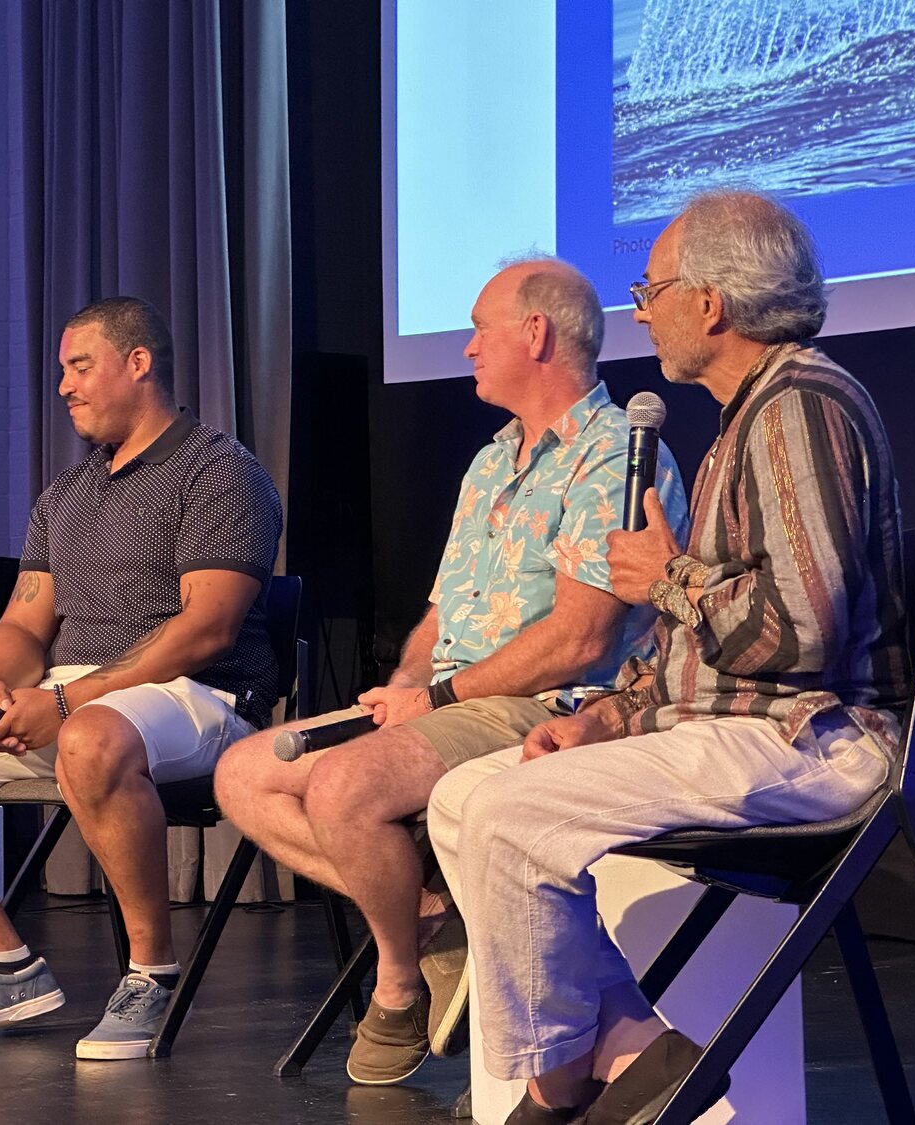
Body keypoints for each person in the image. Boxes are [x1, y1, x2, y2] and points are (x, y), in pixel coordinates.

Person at [427, 191, 907, 1124]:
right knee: (460, 795)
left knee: (511, 814)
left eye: (651, 291)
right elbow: (710, 650)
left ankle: (563, 1083)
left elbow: (801, 634)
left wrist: (667, 578)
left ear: (711, 305)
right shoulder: (747, 418)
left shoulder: (800, 406)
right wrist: (605, 713)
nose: (639, 312)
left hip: (815, 740)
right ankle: (628, 1049)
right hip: (742, 725)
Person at [214, 258, 688, 1085]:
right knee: (245, 772)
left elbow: (579, 639)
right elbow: (439, 617)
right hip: (448, 699)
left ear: (535, 333)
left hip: (539, 705)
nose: (466, 348)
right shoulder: (489, 462)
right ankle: (441, 916)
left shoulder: (615, 456)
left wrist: (433, 698)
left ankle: (397, 982)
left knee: (341, 791)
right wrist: (405, 684)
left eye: (479, 328)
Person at [0, 296, 282, 1060]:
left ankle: (151, 973)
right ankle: (3, 963)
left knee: (89, 737)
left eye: (80, 366)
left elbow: (205, 628)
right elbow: (25, 624)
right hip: (75, 696)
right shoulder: (66, 495)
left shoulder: (219, 472)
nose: (64, 387)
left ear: (138, 363)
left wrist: (64, 699)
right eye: (62, 371)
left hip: (201, 694)